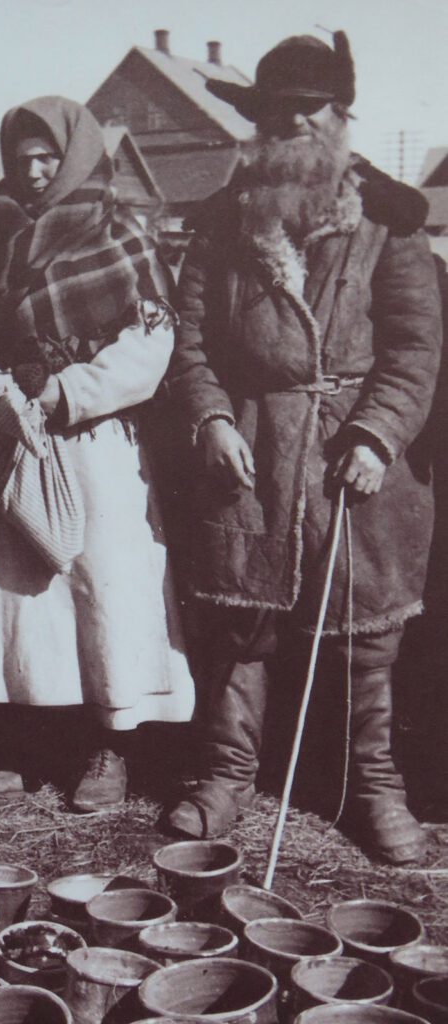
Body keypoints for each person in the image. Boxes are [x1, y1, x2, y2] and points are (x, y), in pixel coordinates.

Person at [164, 33, 442, 863]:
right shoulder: (224, 217)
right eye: (275, 112)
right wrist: (211, 418)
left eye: (306, 110)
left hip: (354, 458)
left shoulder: (386, 225)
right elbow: (189, 339)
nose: (290, 125)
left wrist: (378, 434)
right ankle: (224, 778)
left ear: (339, 117)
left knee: (366, 635)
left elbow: (416, 346)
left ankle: (377, 790)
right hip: (251, 444)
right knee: (238, 622)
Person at [0, 96, 194, 810]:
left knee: (99, 586)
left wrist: (66, 394)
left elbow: (151, 345)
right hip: (9, 439)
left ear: (76, 157)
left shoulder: (122, 235)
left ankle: (110, 746)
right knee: (14, 597)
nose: (37, 171)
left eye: (50, 157)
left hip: (93, 441)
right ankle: (25, 738)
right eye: (23, 160)